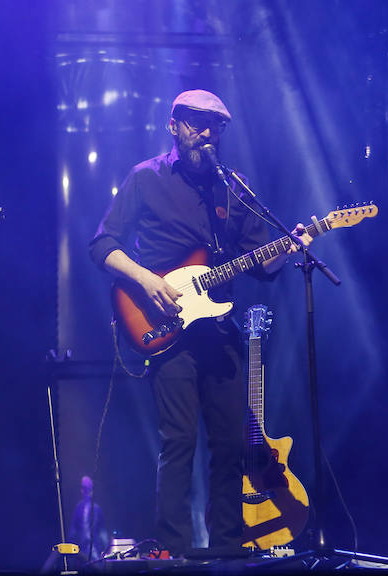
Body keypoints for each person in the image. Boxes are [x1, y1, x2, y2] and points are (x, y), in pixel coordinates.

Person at [88, 89, 310, 554]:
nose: (208, 133)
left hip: (217, 327)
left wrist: (289, 247)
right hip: (164, 328)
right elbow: (102, 245)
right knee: (179, 442)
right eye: (197, 123)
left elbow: (260, 263)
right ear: (174, 125)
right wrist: (146, 280)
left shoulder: (234, 188)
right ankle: (173, 551)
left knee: (230, 444)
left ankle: (228, 550)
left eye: (217, 126)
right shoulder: (145, 178)